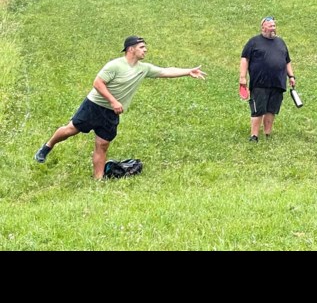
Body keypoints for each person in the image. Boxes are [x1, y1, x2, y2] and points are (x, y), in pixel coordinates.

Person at [34, 36, 206, 180]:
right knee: (71, 129)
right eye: (142, 47)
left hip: (111, 114)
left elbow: (165, 71)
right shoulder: (115, 65)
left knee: (102, 144)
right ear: (131, 49)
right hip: (94, 105)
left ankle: (98, 180)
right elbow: (97, 83)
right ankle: (47, 147)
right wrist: (114, 101)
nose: (145, 50)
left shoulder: (143, 68)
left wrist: (188, 71)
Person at [240, 16, 296, 142]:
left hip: (277, 82)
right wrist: (242, 77)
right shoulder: (254, 42)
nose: (273, 29)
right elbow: (245, 59)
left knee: (272, 109)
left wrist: (291, 76)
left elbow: (287, 61)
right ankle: (254, 136)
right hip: (260, 82)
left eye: (274, 26)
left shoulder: (281, 42)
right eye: (270, 26)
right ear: (263, 27)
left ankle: (267, 134)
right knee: (258, 109)